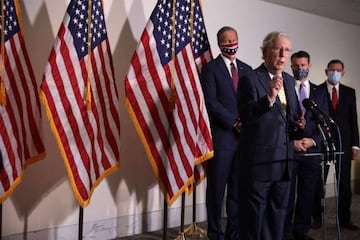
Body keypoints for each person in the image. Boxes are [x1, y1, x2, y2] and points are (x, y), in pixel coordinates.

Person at [237, 31, 304, 240]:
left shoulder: (290, 81)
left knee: (277, 218)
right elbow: (245, 116)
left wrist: (298, 123)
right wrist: (269, 98)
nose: (283, 55)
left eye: (287, 50)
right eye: (278, 49)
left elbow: (289, 118)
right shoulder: (250, 79)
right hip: (260, 165)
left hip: (284, 163)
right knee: (255, 220)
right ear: (265, 52)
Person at [200, 26, 252, 240]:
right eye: (227, 41)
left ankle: (234, 232)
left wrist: (247, 122)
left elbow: (252, 101)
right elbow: (211, 102)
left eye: (234, 40)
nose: (231, 44)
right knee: (216, 189)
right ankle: (215, 233)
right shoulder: (210, 69)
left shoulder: (247, 69)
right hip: (222, 139)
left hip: (245, 140)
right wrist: (234, 123)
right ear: (220, 44)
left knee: (237, 190)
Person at [283, 50, 329, 240]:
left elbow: (325, 122)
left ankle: (300, 231)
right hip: (290, 150)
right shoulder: (285, 89)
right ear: (291, 67)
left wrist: (314, 141)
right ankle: (285, 232)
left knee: (307, 194)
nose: (300, 69)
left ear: (309, 66)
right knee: (286, 194)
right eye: (296, 66)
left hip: (312, 152)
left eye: (303, 65)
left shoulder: (320, 92)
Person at [312, 59, 360, 230]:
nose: (335, 72)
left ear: (343, 73)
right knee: (319, 182)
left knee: (344, 183)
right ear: (326, 71)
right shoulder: (316, 91)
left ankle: (345, 219)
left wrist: (355, 145)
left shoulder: (349, 92)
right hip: (322, 142)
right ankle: (316, 217)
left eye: (338, 70)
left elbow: (353, 120)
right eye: (332, 70)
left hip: (344, 144)